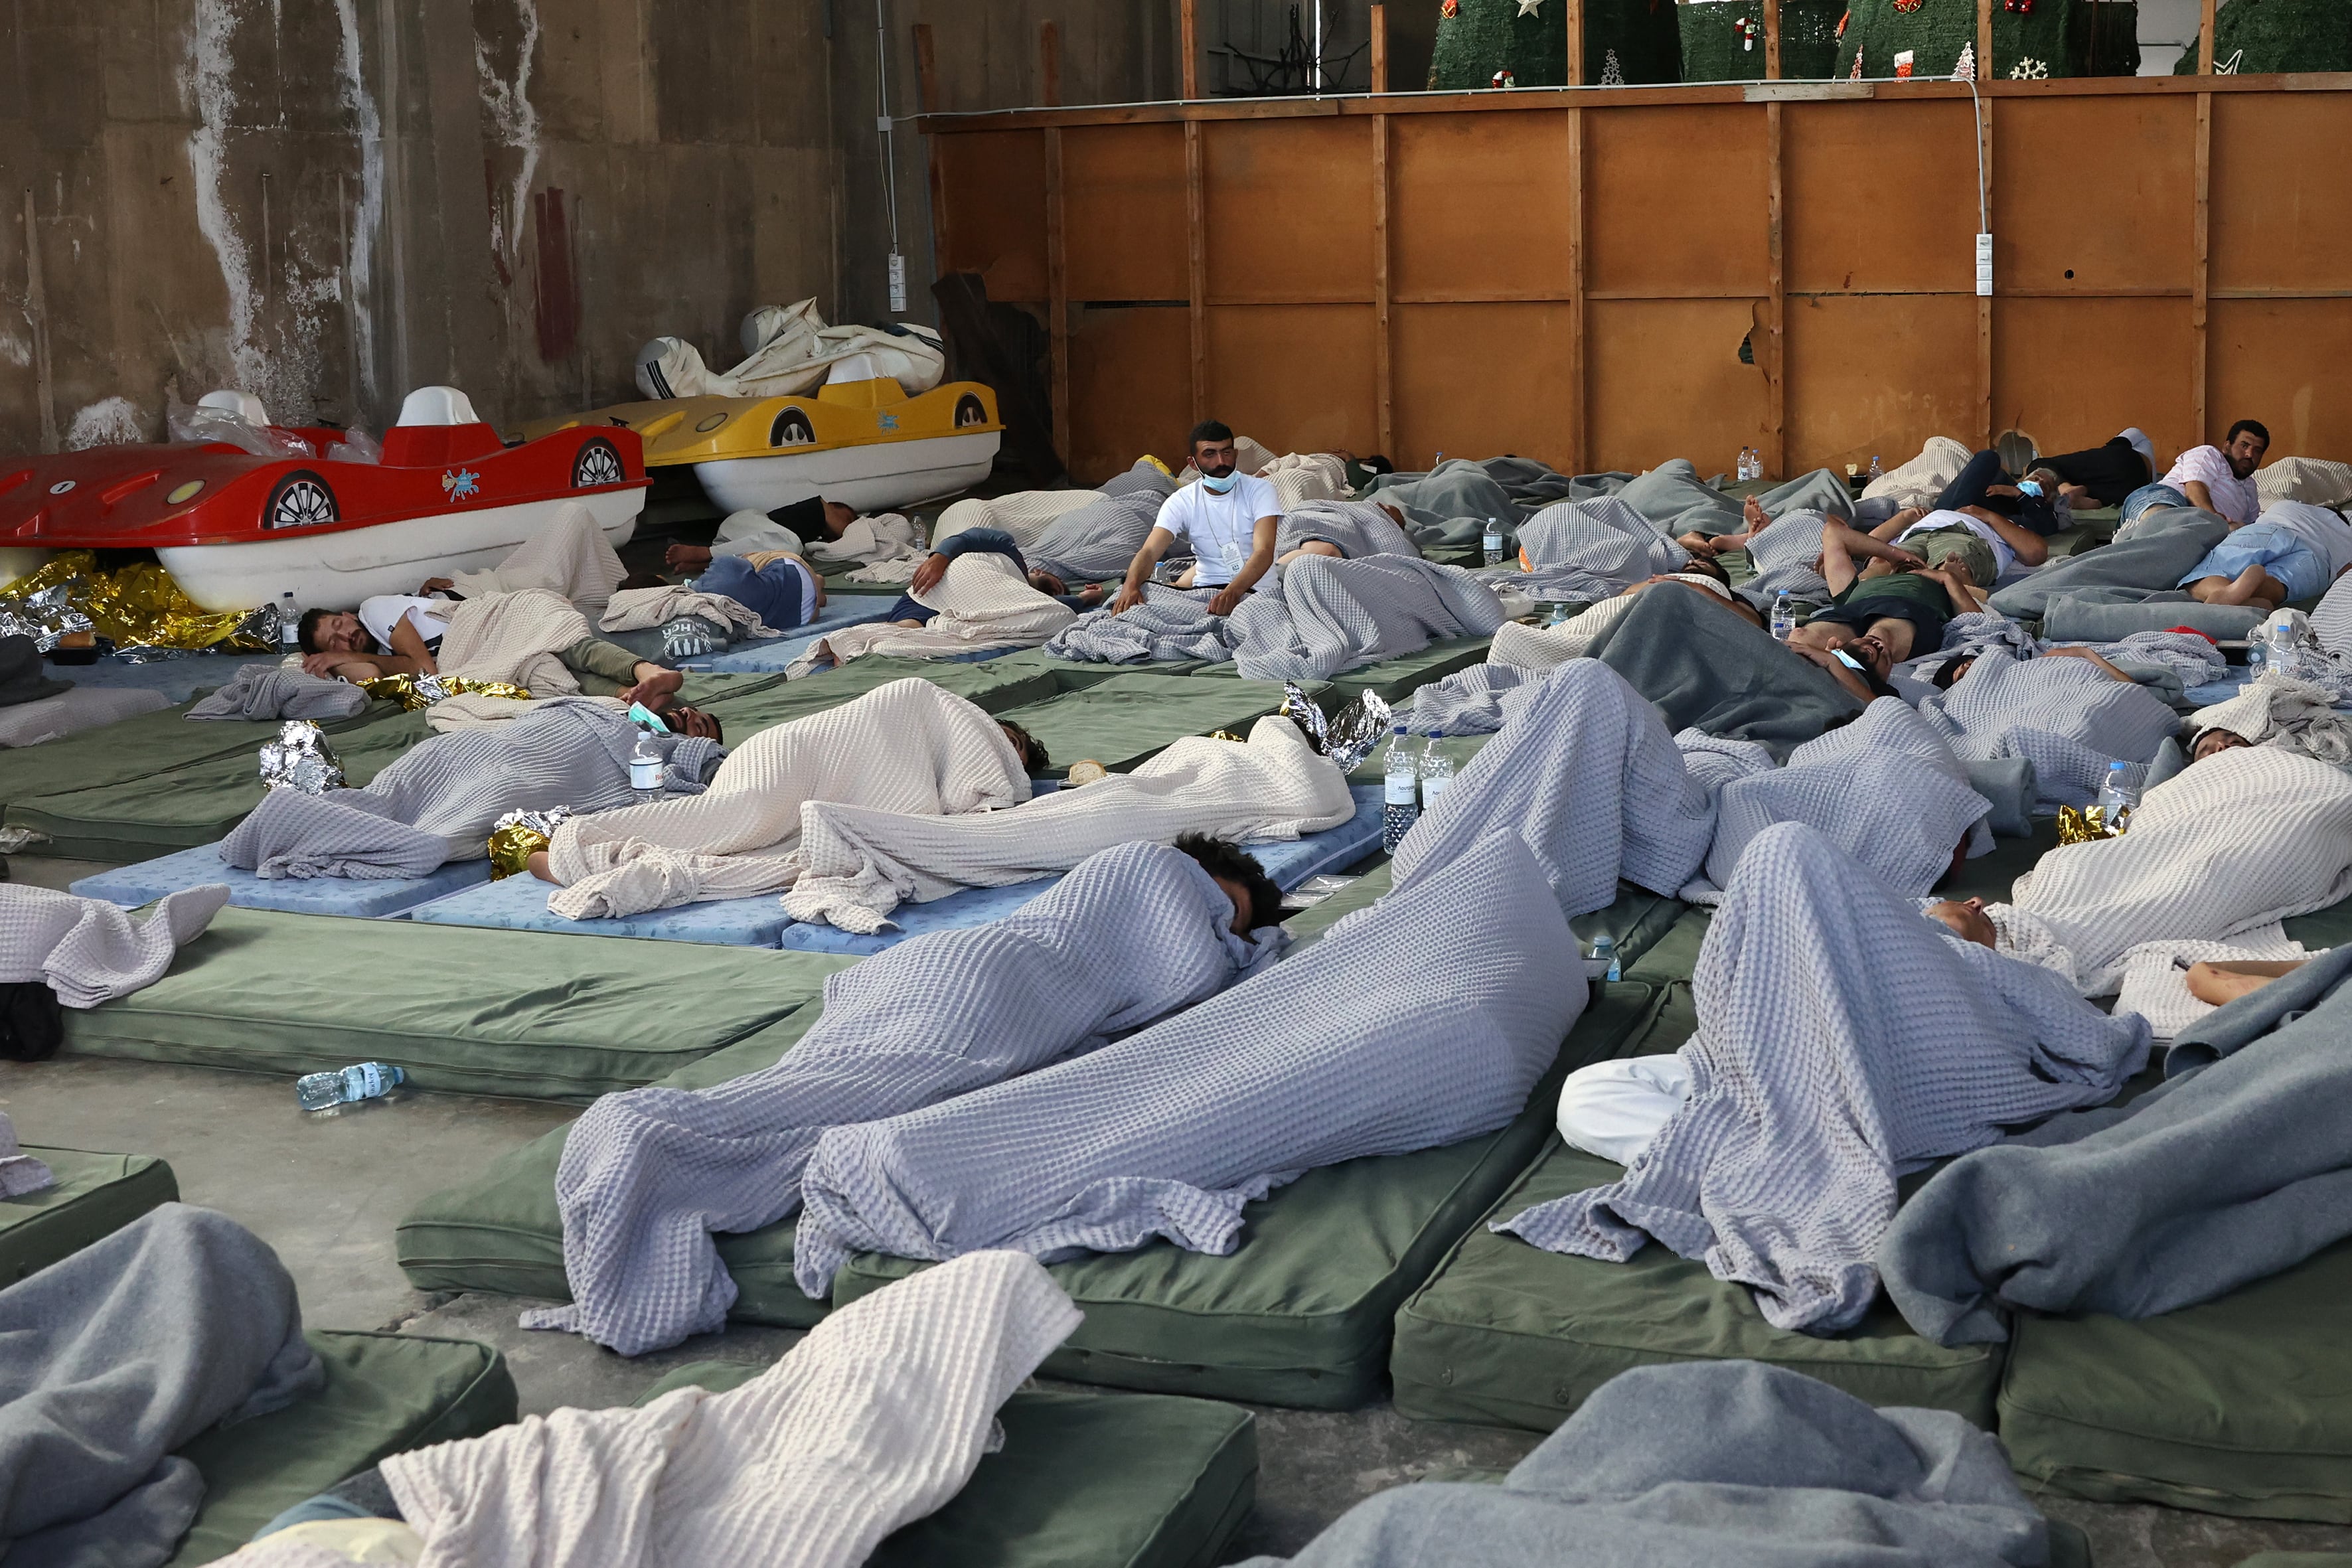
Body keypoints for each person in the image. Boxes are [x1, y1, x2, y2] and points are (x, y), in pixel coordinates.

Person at [1113, 420, 1281, 617]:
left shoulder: (1260, 490)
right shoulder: (1182, 500)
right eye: (1210, 454)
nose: (1221, 462)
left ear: (1235, 454)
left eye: (1226, 452)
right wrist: (1130, 585)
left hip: (1256, 593)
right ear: (1193, 463)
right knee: (1132, 607)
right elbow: (1150, 551)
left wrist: (1233, 592)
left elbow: (1264, 551)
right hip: (1201, 596)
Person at [890, 528, 1107, 623]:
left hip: (957, 610)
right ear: (1038, 571)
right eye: (1055, 586)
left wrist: (1082, 599)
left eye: (1056, 595)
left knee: (907, 631)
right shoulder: (1009, 551)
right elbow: (969, 537)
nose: (1054, 593)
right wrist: (940, 557)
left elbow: (1047, 606)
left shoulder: (1017, 605)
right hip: (931, 587)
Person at [2175, 499, 2352, 609]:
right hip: (2317, 558)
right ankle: (2262, 595)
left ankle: (2225, 590)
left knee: (2212, 572)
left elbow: (2239, 529)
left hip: (2272, 530)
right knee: (2279, 584)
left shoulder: (2289, 506)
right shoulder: (2348, 536)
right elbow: (2345, 575)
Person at [2127, 420, 2269, 528]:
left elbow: (2251, 526)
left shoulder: (2251, 488)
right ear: (2227, 447)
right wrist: (2216, 522)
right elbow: (2195, 490)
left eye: (2257, 450)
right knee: (2164, 517)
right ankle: (2145, 533)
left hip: (2201, 530)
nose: (2250, 454)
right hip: (2171, 499)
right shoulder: (2210, 454)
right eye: (2244, 446)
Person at [661, 495, 855, 574]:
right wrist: (855, 527)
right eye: (847, 518)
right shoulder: (819, 507)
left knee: (778, 560)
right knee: (792, 546)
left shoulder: (814, 537)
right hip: (742, 523)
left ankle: (705, 563)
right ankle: (703, 553)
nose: (848, 525)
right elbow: (848, 531)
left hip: (736, 541)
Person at [2039, 430, 2156, 509]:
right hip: (2134, 486)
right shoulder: (2138, 438)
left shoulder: (2136, 437)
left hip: (2123, 487)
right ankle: (2074, 494)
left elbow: (2111, 447)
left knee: (2041, 464)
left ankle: (2067, 490)